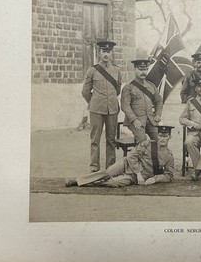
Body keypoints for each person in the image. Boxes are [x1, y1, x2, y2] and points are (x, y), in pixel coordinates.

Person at [65, 126, 175, 187]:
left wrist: (155, 179)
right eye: (160, 136)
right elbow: (132, 155)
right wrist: (139, 172)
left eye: (165, 136)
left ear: (170, 137)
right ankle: (78, 180)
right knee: (108, 172)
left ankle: (90, 182)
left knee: (114, 183)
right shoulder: (148, 143)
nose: (162, 139)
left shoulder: (169, 157)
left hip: (134, 178)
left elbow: (169, 176)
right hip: (126, 164)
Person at [81, 40, 122, 172]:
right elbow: (85, 91)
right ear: (99, 53)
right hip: (96, 110)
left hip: (112, 109)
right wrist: (94, 102)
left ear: (112, 54)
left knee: (111, 139)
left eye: (108, 52)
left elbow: (118, 89)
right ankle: (94, 167)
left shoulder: (116, 70)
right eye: (103, 51)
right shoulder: (92, 70)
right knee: (95, 139)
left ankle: (110, 168)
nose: (106, 54)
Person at [121, 59, 163, 143]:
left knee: (160, 139)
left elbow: (158, 101)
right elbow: (125, 106)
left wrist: (158, 114)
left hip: (150, 120)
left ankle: (154, 156)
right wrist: (134, 120)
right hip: (136, 121)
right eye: (140, 69)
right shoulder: (128, 87)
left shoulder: (151, 86)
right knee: (142, 140)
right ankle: (140, 156)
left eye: (145, 69)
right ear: (135, 69)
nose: (143, 72)